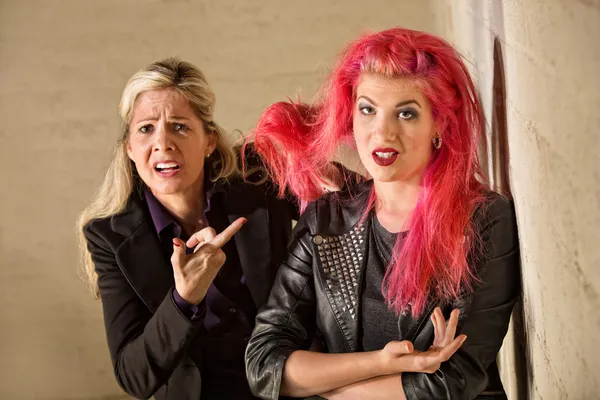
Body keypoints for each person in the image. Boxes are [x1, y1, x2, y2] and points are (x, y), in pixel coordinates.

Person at [245, 27, 520, 400]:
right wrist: (384, 363)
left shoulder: (483, 220)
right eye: (367, 109)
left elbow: (453, 381)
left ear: (439, 125)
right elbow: (264, 365)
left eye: (406, 113)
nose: (382, 131)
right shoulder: (326, 221)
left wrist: (324, 390)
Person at [77, 58, 300, 400]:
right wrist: (184, 299)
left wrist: (316, 149)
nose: (163, 143)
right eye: (146, 128)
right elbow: (134, 376)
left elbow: (355, 202)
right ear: (130, 149)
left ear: (208, 140)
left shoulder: (259, 176)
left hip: (291, 386)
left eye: (180, 126)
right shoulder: (109, 236)